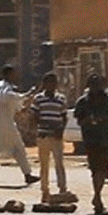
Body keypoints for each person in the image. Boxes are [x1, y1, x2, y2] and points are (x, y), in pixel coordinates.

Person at [73, 73, 108, 214]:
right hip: (91, 140)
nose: (96, 87)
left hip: (105, 139)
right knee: (95, 169)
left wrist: (104, 118)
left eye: (98, 84)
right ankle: (97, 196)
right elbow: (79, 121)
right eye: (93, 84)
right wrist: (90, 119)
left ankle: (97, 195)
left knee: (103, 170)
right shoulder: (83, 102)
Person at [0, 65, 38, 185]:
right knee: (15, 148)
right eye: (14, 73)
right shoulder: (3, 86)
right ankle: (27, 174)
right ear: (8, 74)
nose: (16, 75)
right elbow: (5, 97)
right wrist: (25, 95)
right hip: (4, 123)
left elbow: (19, 108)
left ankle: (27, 174)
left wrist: (27, 99)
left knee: (16, 149)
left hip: (4, 123)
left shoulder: (5, 87)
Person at [31, 72, 70, 203]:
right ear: (44, 84)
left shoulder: (61, 99)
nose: (52, 85)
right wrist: (40, 127)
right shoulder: (38, 98)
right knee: (44, 165)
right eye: (49, 82)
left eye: (54, 82)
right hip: (43, 135)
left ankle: (62, 188)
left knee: (59, 163)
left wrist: (61, 130)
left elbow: (64, 117)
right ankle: (45, 190)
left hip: (57, 136)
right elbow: (34, 115)